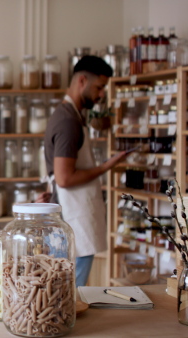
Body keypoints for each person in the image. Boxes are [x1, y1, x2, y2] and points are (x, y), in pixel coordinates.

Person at [44, 55, 129, 287]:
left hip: (70, 216)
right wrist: (106, 166)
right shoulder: (68, 122)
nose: (101, 94)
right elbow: (64, 177)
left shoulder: (70, 116)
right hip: (71, 221)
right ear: (82, 80)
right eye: (99, 87)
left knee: (62, 290)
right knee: (68, 294)